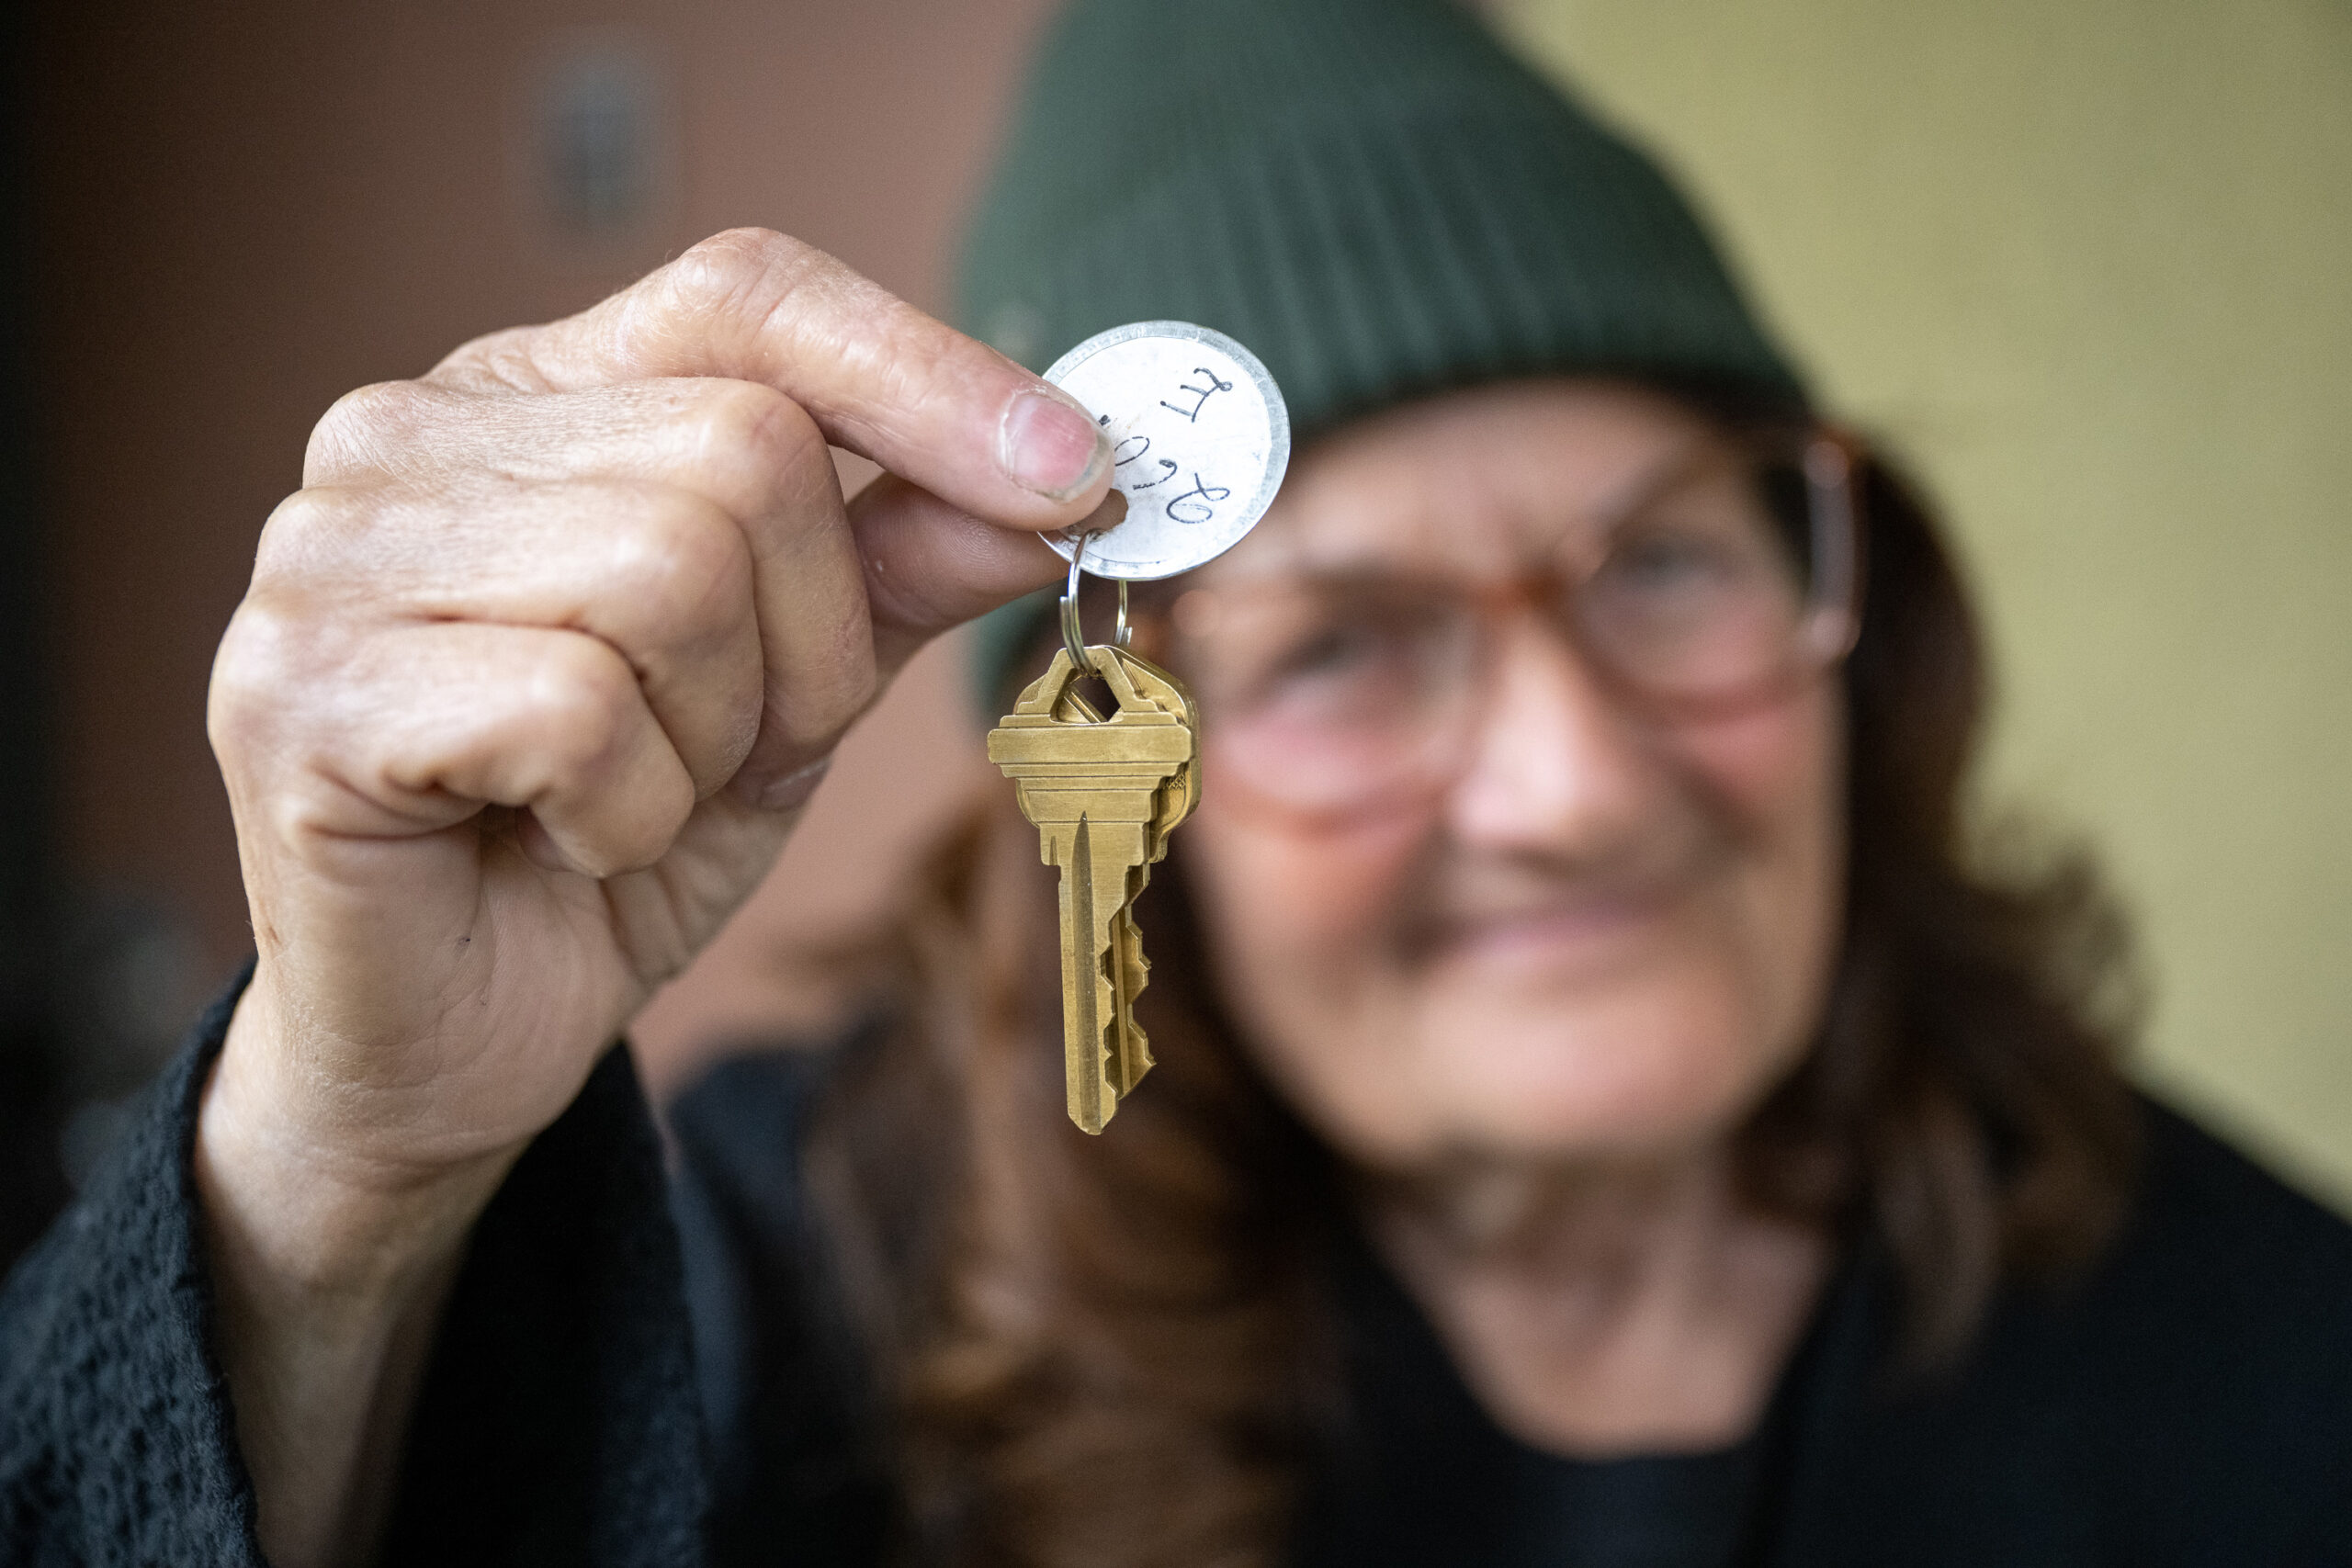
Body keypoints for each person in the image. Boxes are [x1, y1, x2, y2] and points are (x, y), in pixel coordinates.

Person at [4, 0, 2349, 1564]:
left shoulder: (2265, 1347)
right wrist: (349, 1184)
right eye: (1339, 643)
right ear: (1116, 778)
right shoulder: (792, 1279)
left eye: (1658, 570)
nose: (1566, 783)